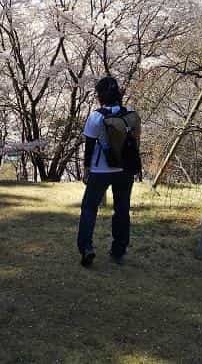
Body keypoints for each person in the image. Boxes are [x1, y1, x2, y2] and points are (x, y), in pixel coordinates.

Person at [77, 76, 139, 267]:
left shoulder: (97, 116)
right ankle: (119, 249)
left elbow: (89, 146)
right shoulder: (130, 114)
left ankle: (86, 248)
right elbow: (134, 141)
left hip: (100, 170)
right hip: (125, 169)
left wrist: (86, 169)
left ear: (100, 95)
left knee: (89, 207)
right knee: (121, 209)